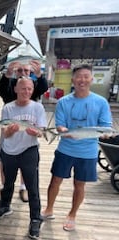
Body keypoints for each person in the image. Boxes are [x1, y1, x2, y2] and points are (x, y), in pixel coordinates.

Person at [41, 64, 112, 231]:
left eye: (86, 76)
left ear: (91, 79)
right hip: (65, 149)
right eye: (79, 76)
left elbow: (106, 126)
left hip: (88, 152)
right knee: (55, 181)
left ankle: (72, 215)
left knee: (79, 185)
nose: (82, 80)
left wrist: (106, 134)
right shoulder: (64, 101)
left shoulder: (101, 102)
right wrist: (63, 131)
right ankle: (49, 209)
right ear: (73, 79)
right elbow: (60, 125)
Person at [0, 76, 47, 239]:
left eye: (30, 89)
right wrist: (11, 130)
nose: (26, 91)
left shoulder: (38, 108)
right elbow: (5, 134)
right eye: (23, 88)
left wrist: (36, 132)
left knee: (32, 186)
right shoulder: (8, 108)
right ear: (15, 89)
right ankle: (5, 206)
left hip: (29, 150)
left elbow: (42, 131)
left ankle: (35, 219)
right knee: (8, 182)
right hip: (9, 151)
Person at [0, 59, 48, 202]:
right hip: (8, 125)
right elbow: (0, 89)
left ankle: (23, 188)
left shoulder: (33, 84)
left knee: (27, 160)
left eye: (26, 70)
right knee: (3, 156)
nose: (23, 73)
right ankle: (4, 187)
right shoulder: (11, 84)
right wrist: (7, 75)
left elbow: (44, 88)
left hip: (27, 128)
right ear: (15, 72)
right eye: (19, 70)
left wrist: (39, 75)